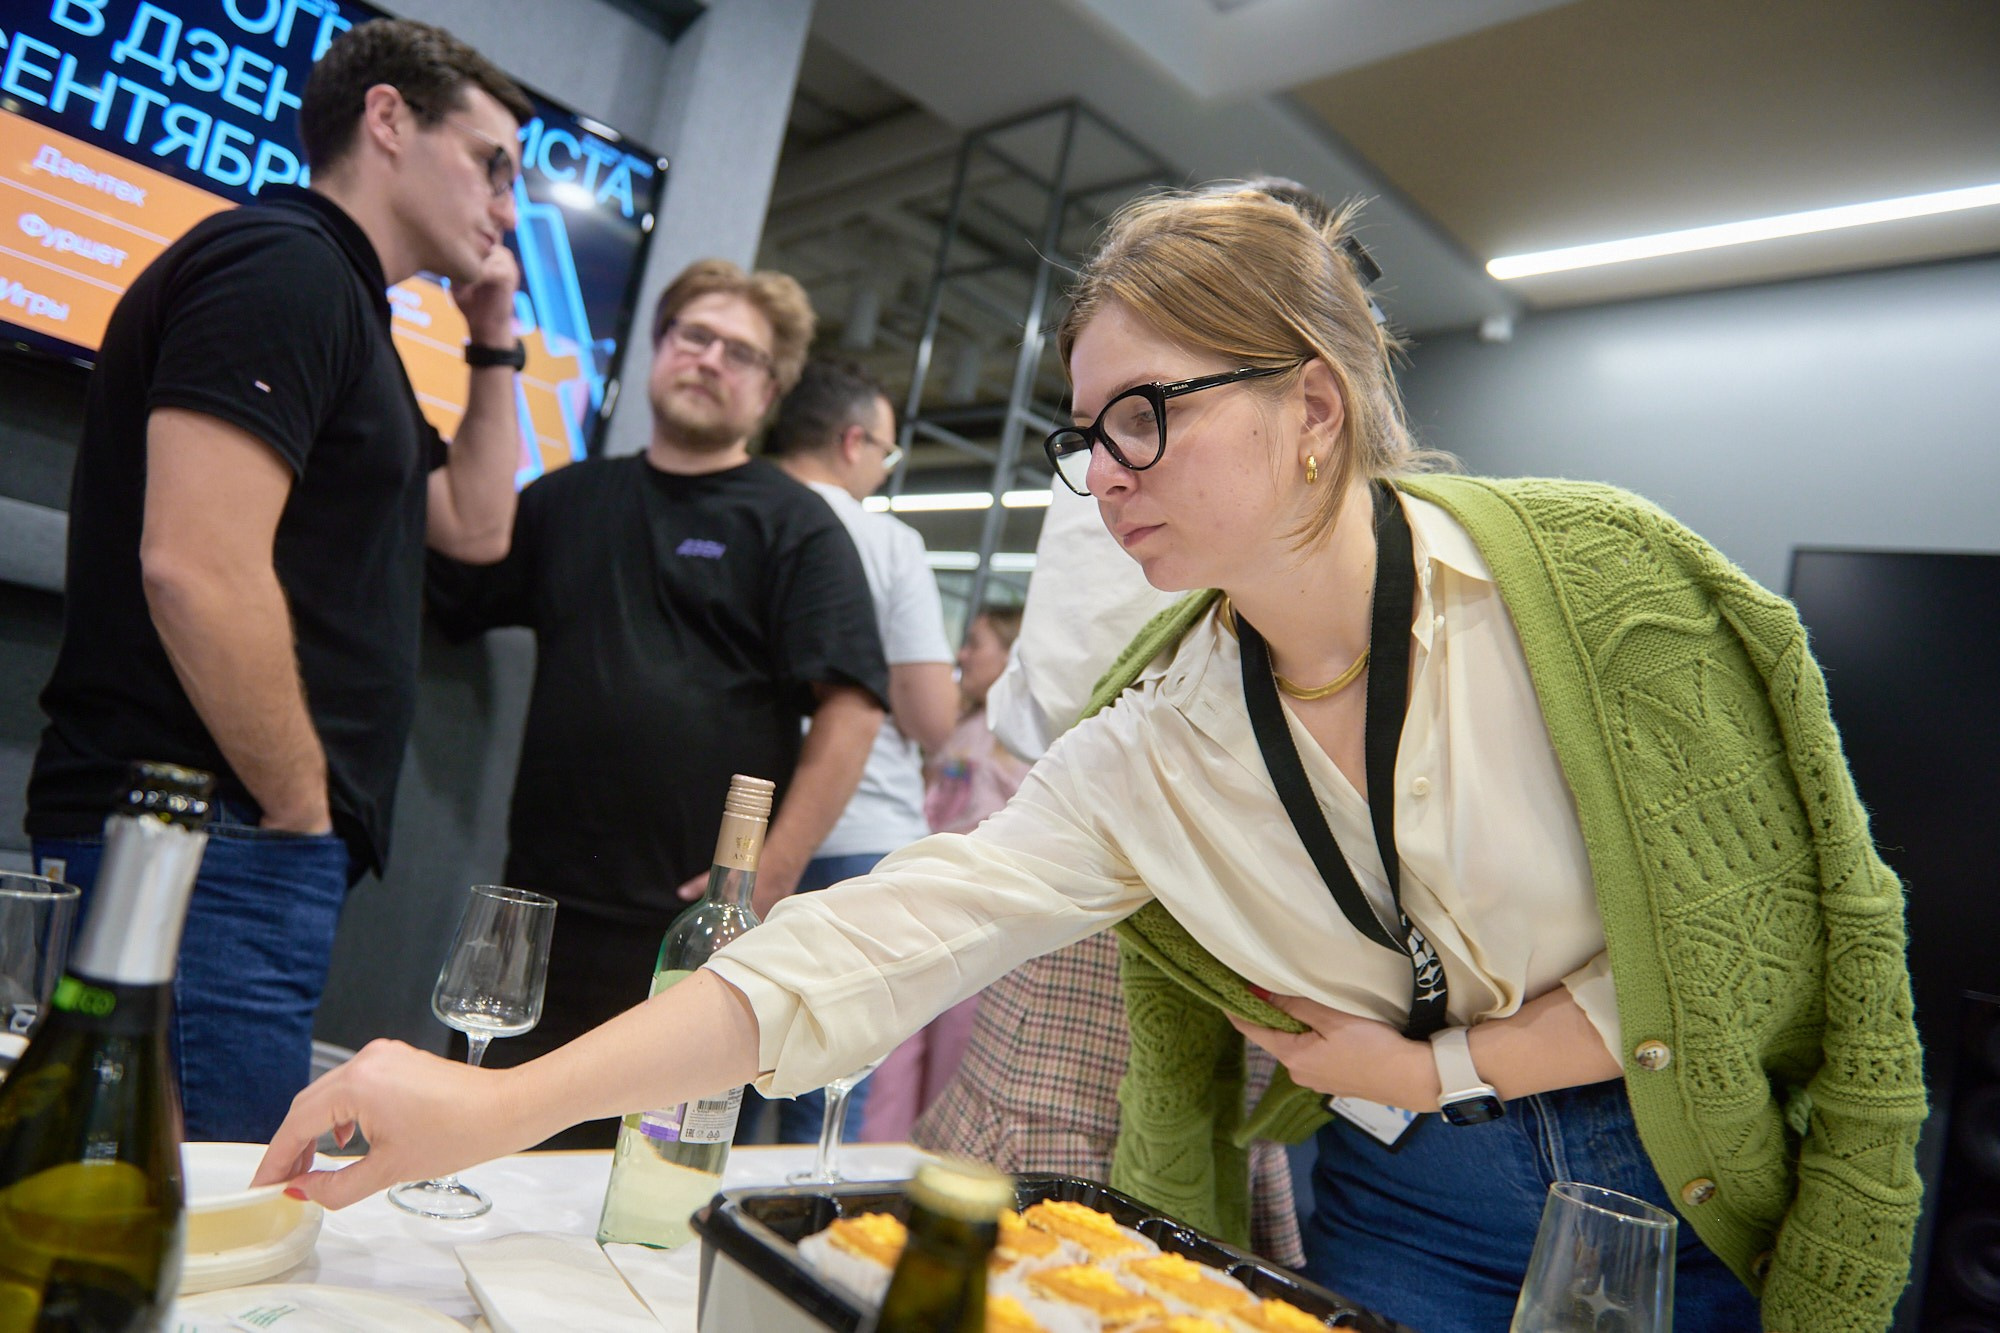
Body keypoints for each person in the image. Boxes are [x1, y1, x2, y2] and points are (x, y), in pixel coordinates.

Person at [260, 184, 1926, 1333]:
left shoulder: (1597, 587)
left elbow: (1803, 949)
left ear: (1315, 406)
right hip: (1400, 1203)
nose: (1105, 470)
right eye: (1086, 428)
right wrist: (496, 1103)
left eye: (1150, 412)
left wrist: (1441, 1067)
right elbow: (881, 937)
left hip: (1683, 1177)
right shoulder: (1160, 741)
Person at [26, 19, 531, 1143]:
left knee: (172, 1204)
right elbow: (194, 568)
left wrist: (492, 340)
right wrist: (300, 811)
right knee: (195, 1228)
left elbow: (477, 527)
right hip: (215, 831)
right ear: (388, 118)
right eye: (493, 163)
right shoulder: (285, 265)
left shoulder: (346, 307)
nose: (507, 209)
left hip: (238, 836)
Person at [424, 262, 888, 1149]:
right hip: (538, 908)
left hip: (687, 931)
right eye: (695, 336)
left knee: (645, 1178)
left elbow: (853, 708)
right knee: (480, 1152)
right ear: (659, 348)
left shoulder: (794, 526)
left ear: (773, 387)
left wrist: (773, 872)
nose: (711, 360)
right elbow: (456, 587)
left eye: (741, 352)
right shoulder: (566, 499)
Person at [757, 357, 957, 1143]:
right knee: (827, 1089)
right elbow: (932, 714)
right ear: (851, 442)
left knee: (704, 1068)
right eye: (886, 453)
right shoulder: (885, 541)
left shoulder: (747, 510)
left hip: (746, 825)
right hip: (860, 833)